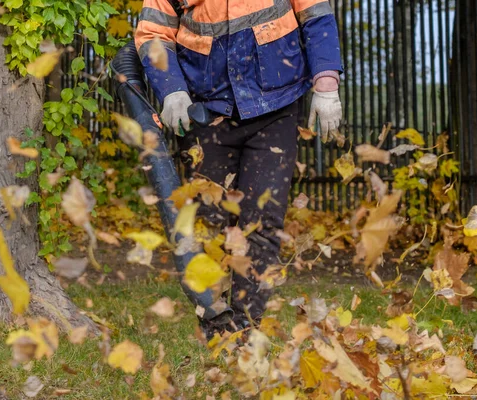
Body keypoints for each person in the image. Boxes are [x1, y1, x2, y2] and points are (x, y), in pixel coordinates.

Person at [135, 0, 343, 335]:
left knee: (261, 220)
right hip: (207, 111)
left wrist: (326, 82)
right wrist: (171, 89)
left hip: (276, 105)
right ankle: (215, 323)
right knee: (209, 223)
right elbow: (153, 32)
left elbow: (316, 13)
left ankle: (245, 327)